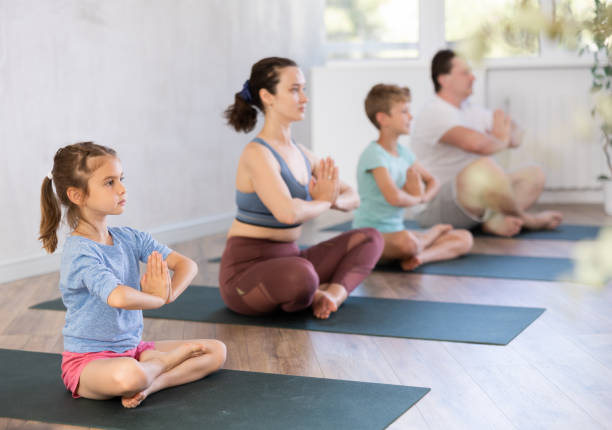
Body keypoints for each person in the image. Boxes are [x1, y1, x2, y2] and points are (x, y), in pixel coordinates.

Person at [39, 142, 226, 408]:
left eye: (121, 179)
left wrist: (168, 294)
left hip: (134, 351)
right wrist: (156, 298)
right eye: (109, 182)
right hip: (89, 363)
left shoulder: (130, 237)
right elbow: (118, 297)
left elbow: (187, 265)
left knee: (216, 351)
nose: (122, 188)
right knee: (129, 375)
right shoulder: (79, 252)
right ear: (77, 195)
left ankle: (151, 384)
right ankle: (158, 366)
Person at [221, 57, 383, 320]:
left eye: (304, 89)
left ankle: (332, 295)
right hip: (246, 273)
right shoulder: (257, 154)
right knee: (302, 276)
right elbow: (287, 213)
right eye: (295, 89)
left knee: (371, 238)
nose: (304, 98)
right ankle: (313, 290)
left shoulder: (303, 154)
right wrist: (324, 200)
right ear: (268, 96)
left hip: (292, 257)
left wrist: (333, 200)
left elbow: (352, 195)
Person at [410, 49, 563, 237]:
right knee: (483, 167)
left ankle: (491, 222)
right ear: (443, 79)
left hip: (470, 199)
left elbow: (517, 134)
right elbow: (478, 145)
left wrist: (503, 136)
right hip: (435, 206)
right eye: (465, 73)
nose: (473, 78)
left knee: (534, 175)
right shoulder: (434, 112)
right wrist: (501, 138)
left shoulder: (470, 109)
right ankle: (528, 220)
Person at [354, 83, 473, 270]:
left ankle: (420, 257)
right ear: (383, 118)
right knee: (407, 243)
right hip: (370, 237)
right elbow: (393, 197)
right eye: (404, 112)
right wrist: (418, 199)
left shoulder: (404, 153)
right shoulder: (374, 154)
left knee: (465, 238)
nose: (410, 117)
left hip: (398, 234)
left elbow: (433, 181)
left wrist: (424, 197)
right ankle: (428, 237)